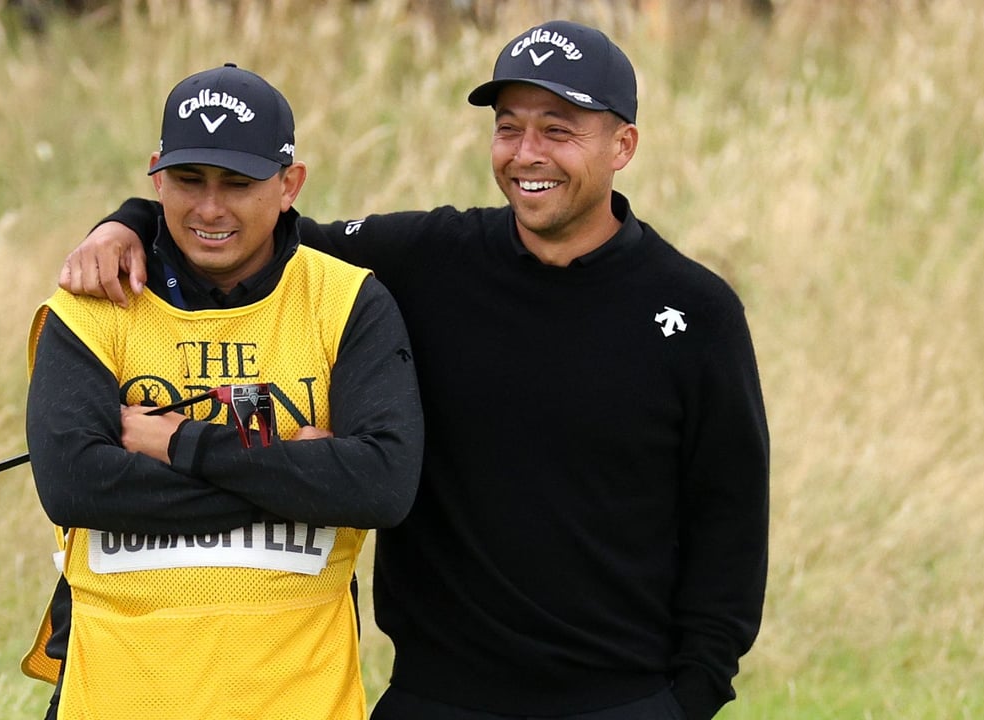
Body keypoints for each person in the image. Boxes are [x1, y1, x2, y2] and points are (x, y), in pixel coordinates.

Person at [60, 21, 770, 720]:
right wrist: (127, 223)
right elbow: (243, 223)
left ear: (624, 145)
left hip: (619, 700)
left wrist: (690, 697)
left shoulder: (693, 312)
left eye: (559, 130)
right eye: (508, 127)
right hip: (436, 697)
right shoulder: (425, 260)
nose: (527, 154)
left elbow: (730, 519)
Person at [21, 63, 423, 720]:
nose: (210, 208)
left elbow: (381, 485)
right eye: (188, 180)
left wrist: (174, 442)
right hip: (116, 700)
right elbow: (72, 485)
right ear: (155, 174)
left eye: (238, 184)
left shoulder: (349, 301)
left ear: (290, 184)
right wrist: (300, 478)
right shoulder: (93, 302)